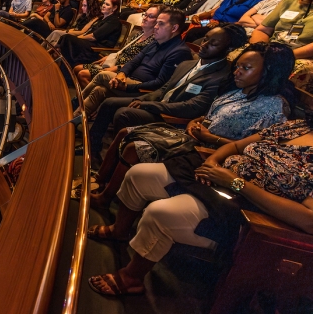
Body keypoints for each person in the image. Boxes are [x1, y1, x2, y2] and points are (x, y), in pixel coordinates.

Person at [86, 114, 313, 298]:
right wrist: (212, 162)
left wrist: (236, 183)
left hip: (243, 205)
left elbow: (308, 219)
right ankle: (119, 230)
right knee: (139, 174)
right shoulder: (296, 127)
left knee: (160, 214)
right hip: (216, 176)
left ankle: (131, 278)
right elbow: (236, 146)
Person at [88, 41, 294, 207]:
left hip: (211, 154)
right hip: (192, 138)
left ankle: (106, 197)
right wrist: (195, 122)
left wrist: (210, 138)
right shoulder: (238, 91)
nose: (237, 72)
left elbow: (256, 151)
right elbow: (208, 115)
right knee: (125, 131)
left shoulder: (273, 107)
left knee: (134, 146)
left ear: (269, 71)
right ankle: (102, 181)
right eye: (238, 66)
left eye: (246, 68)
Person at [87, 23, 247, 163]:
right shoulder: (187, 64)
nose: (204, 45)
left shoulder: (222, 75)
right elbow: (164, 90)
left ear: (229, 49)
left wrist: (149, 105)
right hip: (159, 105)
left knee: (124, 113)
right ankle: (92, 149)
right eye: (205, 39)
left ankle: (115, 159)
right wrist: (141, 100)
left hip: (173, 118)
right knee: (110, 102)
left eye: (213, 44)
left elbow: (194, 107)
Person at [250, 0, 313, 90]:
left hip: (302, 55)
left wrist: (283, 56)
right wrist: (261, 51)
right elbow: (262, 30)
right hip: (272, 47)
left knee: (288, 69)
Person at [56, 0, 123, 67]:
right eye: (104, 3)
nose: (103, 6)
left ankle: (62, 67)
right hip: (90, 44)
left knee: (67, 38)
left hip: (96, 49)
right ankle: (57, 63)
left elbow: (93, 36)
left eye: (107, 4)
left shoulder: (113, 21)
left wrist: (78, 38)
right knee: (66, 38)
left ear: (115, 8)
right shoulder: (102, 18)